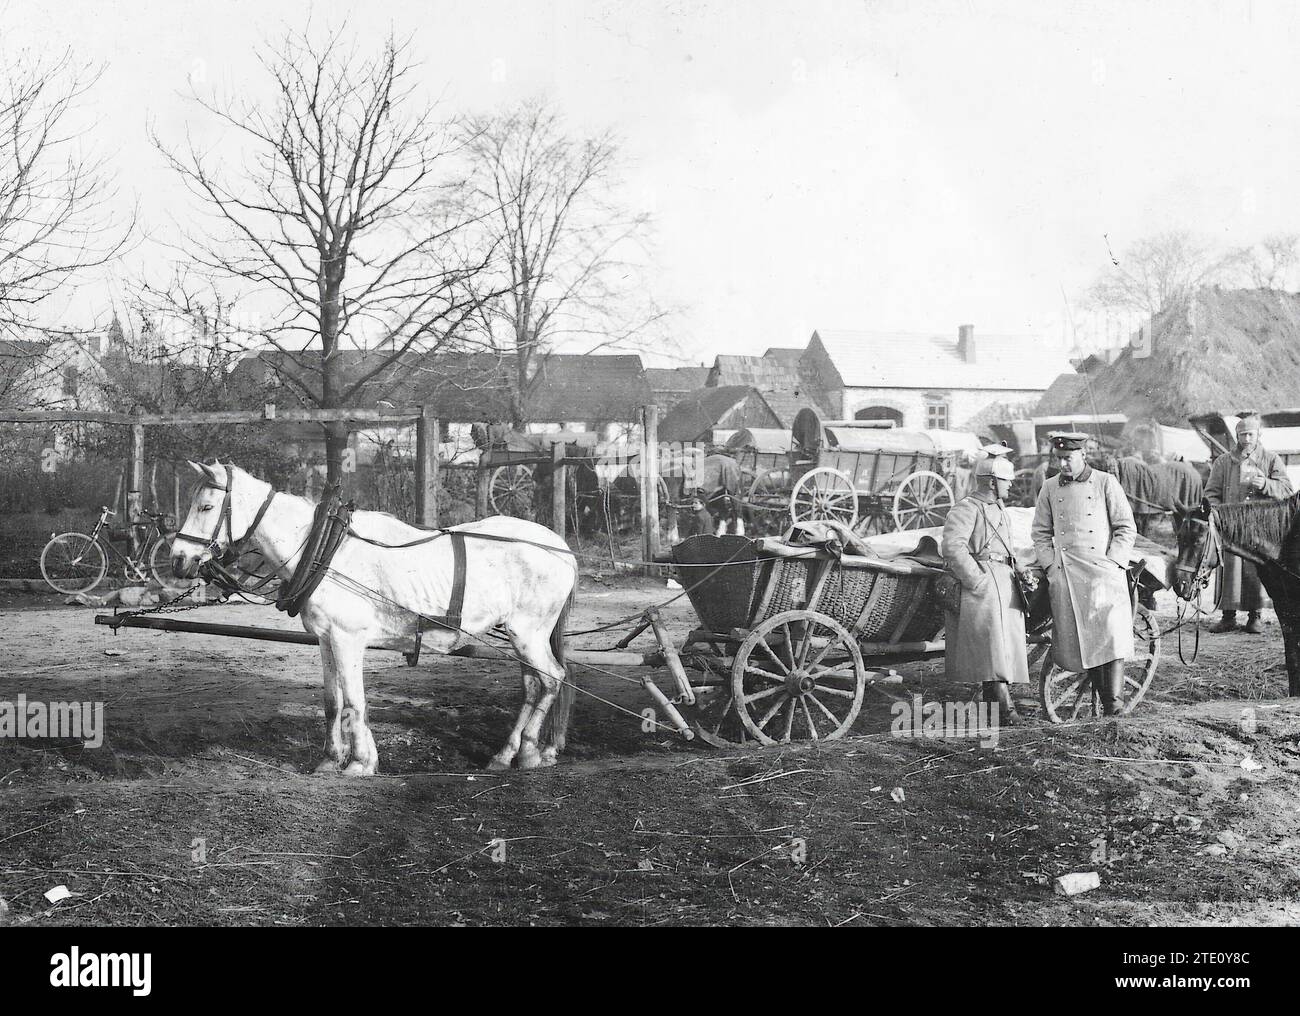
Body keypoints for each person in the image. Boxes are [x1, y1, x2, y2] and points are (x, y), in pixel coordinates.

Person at [1031, 432, 1137, 716]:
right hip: (1067, 574)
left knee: (1110, 634)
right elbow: (1040, 533)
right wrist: (1051, 566)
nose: (1063, 464)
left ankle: (1113, 705)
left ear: (1082, 455)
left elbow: (1126, 527)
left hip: (1103, 573)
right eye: (1059, 459)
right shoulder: (1050, 488)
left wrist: (1114, 562)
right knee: (1078, 638)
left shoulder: (1105, 482)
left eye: (1068, 458)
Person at [940, 443, 1030, 722]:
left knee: (1004, 646)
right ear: (992, 482)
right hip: (984, 586)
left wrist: (1021, 569)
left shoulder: (1000, 509)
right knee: (991, 647)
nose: (1011, 485)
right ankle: (1004, 709)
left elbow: (1007, 548)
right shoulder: (967, 508)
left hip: (1004, 582)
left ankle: (995, 706)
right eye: (1006, 480)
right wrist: (976, 580)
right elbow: (953, 546)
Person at [1204, 412, 1294, 634]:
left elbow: (1287, 491)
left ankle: (1255, 616)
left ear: (1259, 434)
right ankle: (1228, 616)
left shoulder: (1271, 459)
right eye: (1242, 434)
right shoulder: (1224, 462)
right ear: (1236, 435)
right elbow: (1211, 494)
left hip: (1259, 528)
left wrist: (1266, 485)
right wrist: (1220, 515)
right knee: (1230, 569)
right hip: (1231, 527)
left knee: (1257, 570)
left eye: (1250, 434)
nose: (1246, 439)